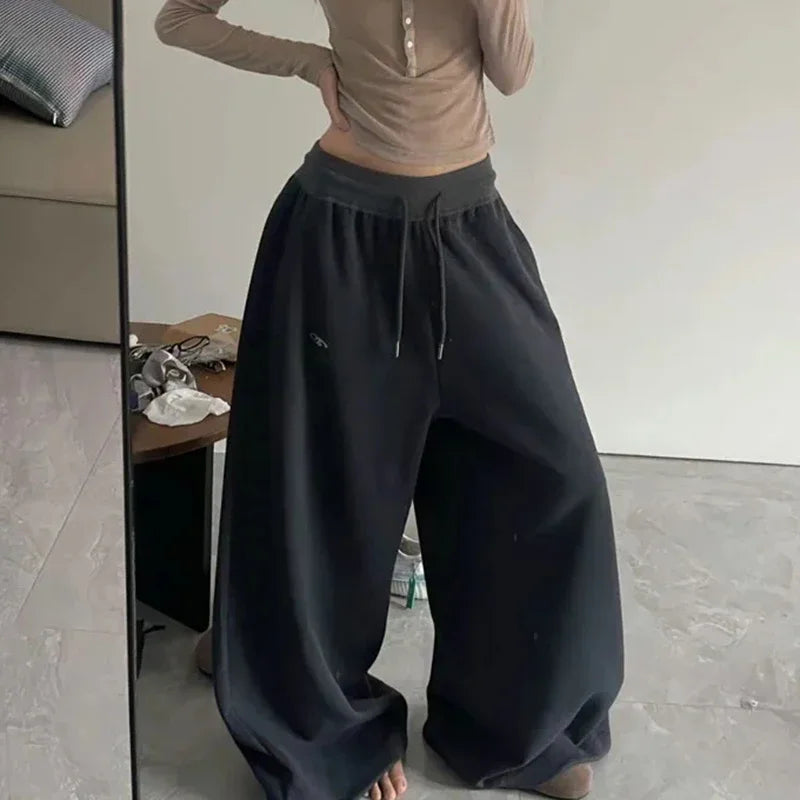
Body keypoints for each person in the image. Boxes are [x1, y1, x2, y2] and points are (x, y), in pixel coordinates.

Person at [154, 2, 624, 799]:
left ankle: (519, 724)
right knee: (328, 491)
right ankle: (317, 717)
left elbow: (512, 72)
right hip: (338, 231)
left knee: (555, 473)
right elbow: (180, 20)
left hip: (469, 226)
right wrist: (310, 62)